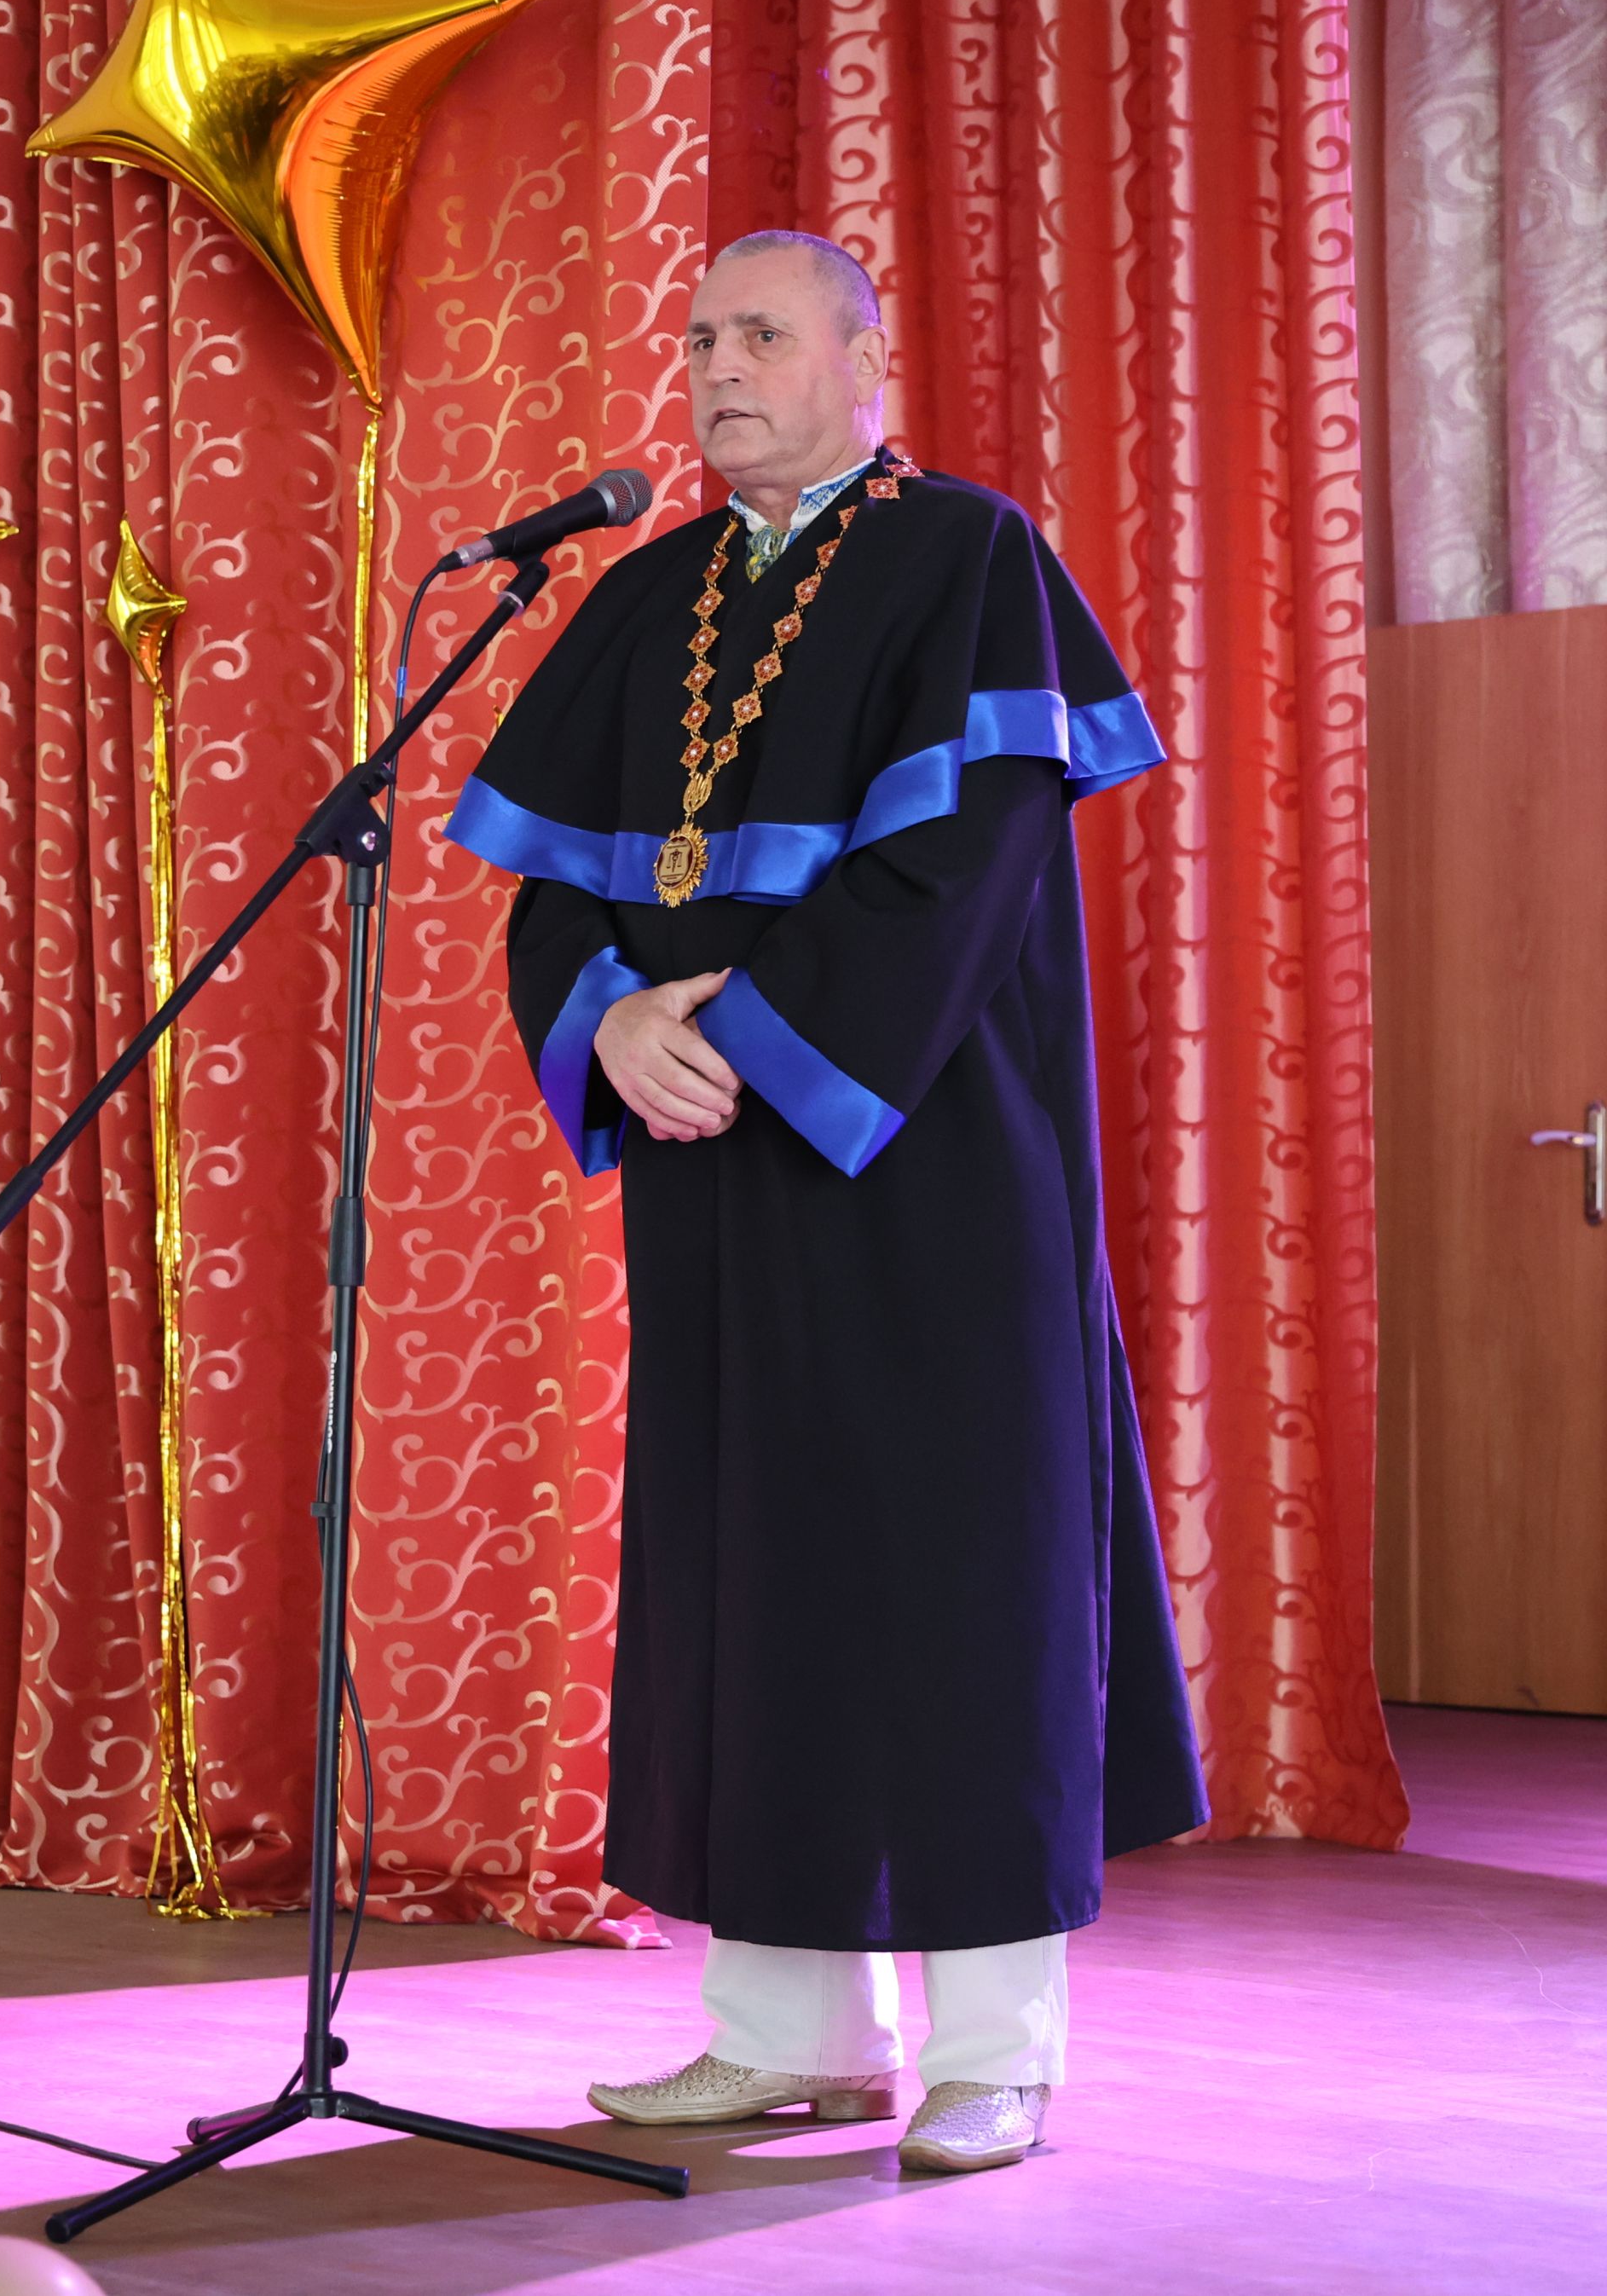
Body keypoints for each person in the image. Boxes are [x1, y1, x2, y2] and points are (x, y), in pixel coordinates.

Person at [447, 229, 1205, 2176]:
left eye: (763, 334)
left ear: (866, 361)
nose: (718, 366)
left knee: (954, 1582)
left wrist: (749, 1034)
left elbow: (966, 864)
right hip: (713, 1162)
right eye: (701, 336)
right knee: (750, 1578)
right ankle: (785, 2029)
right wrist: (613, 1024)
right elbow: (553, 888)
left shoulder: (967, 556)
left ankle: (992, 2049)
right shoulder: (648, 594)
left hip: (927, 1148)